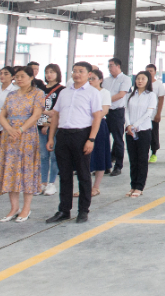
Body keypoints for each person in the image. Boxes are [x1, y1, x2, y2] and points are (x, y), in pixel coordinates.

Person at [46, 61, 106, 224]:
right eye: (74, 71)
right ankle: (64, 210)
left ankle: (83, 211)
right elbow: (56, 115)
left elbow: (97, 117)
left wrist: (91, 139)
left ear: (89, 74)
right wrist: (51, 137)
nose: (77, 74)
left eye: (81, 71)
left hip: (81, 135)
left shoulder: (93, 93)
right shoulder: (64, 92)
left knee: (83, 174)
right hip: (63, 135)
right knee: (64, 175)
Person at [0, 65, 44, 222]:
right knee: (11, 170)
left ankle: (26, 208)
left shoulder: (38, 93)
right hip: (9, 136)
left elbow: (36, 115)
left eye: (22, 76)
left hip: (27, 136)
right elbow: (2, 115)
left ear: (31, 77)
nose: (19, 79)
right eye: (17, 76)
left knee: (27, 170)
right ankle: (14, 207)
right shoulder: (11, 94)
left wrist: (20, 130)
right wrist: (9, 129)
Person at [123, 71, 156, 198]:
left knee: (142, 159)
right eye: (138, 78)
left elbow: (148, 113)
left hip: (143, 130)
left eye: (143, 79)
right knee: (133, 159)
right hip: (130, 131)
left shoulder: (151, 95)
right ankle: (133, 185)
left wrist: (135, 125)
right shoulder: (130, 95)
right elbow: (126, 111)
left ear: (148, 81)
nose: (140, 81)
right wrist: (128, 125)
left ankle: (139, 187)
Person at [37, 64, 64, 196]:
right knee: (43, 156)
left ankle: (51, 183)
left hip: (54, 126)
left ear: (58, 73)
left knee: (53, 155)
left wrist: (48, 124)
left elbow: (58, 110)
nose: (49, 75)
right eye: (47, 72)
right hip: (38, 125)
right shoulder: (40, 89)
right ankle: (42, 182)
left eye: (52, 72)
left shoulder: (62, 90)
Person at [85, 69, 112, 197]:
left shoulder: (104, 93)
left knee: (100, 154)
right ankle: (85, 187)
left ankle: (96, 187)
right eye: (89, 79)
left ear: (100, 80)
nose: (90, 81)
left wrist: (93, 121)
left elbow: (104, 111)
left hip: (99, 125)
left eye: (93, 78)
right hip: (85, 125)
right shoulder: (85, 92)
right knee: (85, 156)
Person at [104, 58, 132, 177]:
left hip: (117, 112)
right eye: (108, 66)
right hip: (105, 112)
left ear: (118, 66)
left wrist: (105, 101)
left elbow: (121, 95)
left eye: (111, 65)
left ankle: (118, 166)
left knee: (118, 139)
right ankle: (105, 165)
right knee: (104, 139)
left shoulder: (125, 79)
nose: (109, 68)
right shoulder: (106, 80)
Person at [145, 64, 165, 163]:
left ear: (155, 72)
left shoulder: (158, 84)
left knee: (154, 134)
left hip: (153, 114)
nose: (149, 73)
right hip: (143, 115)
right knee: (144, 135)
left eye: (151, 71)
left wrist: (158, 113)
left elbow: (161, 99)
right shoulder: (143, 83)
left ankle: (154, 153)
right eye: (147, 71)